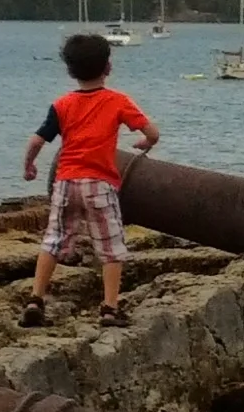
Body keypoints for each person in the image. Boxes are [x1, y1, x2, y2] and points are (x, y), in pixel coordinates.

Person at [21, 32, 159, 326]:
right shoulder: (117, 101)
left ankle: (35, 300)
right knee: (111, 247)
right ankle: (109, 308)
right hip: (99, 183)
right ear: (108, 67)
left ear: (70, 71)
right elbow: (152, 133)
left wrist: (29, 166)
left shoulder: (62, 105)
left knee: (53, 241)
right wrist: (145, 143)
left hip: (66, 182)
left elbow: (36, 141)